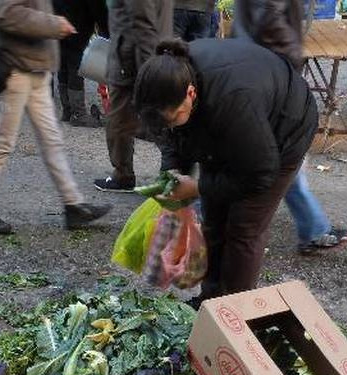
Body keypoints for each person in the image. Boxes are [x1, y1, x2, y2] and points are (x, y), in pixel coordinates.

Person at [134, 38, 317, 299]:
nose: (169, 127)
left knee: (243, 229)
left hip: (282, 133)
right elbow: (171, 135)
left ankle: (235, 313)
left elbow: (260, 174)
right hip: (227, 129)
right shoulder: (165, 86)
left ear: (190, 94)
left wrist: (196, 187)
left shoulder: (234, 99)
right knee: (213, 219)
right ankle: (210, 300)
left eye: (173, 119)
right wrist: (172, 170)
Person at [0, 0, 111, 234]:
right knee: (1, 143)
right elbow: (6, 14)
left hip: (34, 67)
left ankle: (73, 204)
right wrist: (53, 24)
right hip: (14, 69)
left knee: (52, 141)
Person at [235, 0, 347, 253]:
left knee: (277, 157)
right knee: (279, 156)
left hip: (256, 68)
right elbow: (268, 14)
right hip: (266, 73)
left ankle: (314, 228)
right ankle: (196, 215)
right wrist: (292, 55)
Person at [93, 0, 173, 192]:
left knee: (121, 115)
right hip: (155, 48)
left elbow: (141, 22)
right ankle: (174, 170)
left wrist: (149, 69)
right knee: (158, 112)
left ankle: (124, 174)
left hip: (130, 53)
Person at [52, 0, 108, 127]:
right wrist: (105, 31)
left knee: (63, 64)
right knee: (75, 68)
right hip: (77, 26)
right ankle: (78, 113)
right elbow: (98, 9)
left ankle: (67, 110)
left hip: (59, 24)